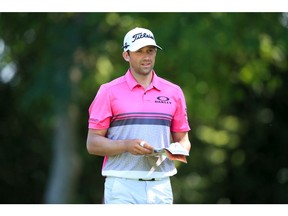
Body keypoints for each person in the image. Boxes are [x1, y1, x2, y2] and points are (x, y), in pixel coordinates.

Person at [86, 27, 191, 204]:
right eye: (139, 51)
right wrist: (126, 145)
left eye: (150, 51)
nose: (147, 56)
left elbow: (184, 141)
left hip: (161, 186)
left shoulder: (174, 92)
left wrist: (171, 151)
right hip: (122, 184)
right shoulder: (108, 91)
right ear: (126, 55)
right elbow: (93, 143)